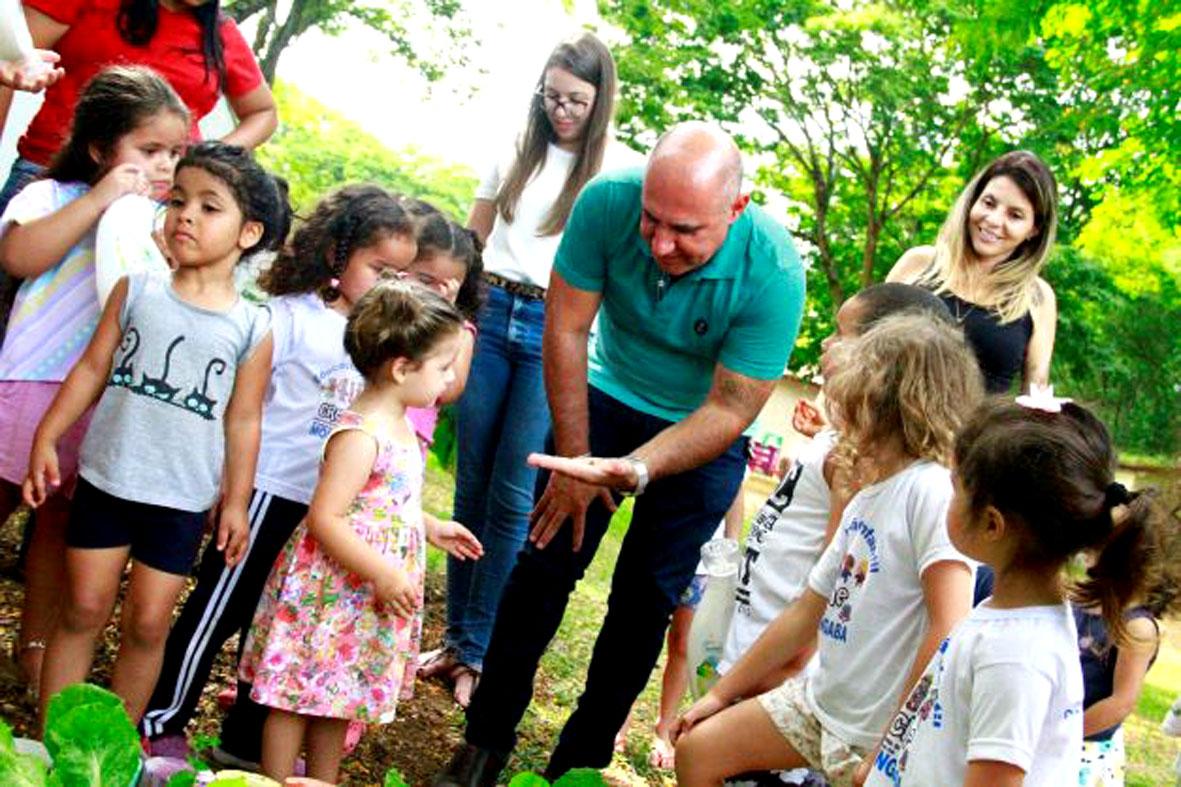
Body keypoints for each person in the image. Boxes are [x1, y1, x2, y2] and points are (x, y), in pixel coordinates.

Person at [434, 121, 806, 785]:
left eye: (686, 231)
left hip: (703, 431)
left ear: (736, 210)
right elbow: (567, 326)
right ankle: (483, 742)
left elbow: (729, 407)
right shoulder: (606, 201)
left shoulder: (773, 271)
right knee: (541, 569)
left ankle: (573, 769)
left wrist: (635, 469)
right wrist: (577, 460)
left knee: (643, 605)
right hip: (603, 398)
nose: (661, 244)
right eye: (652, 221)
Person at [139, 184, 421, 762]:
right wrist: (233, 493)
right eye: (380, 268)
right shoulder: (290, 319)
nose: (392, 285)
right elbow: (242, 406)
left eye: (402, 275)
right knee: (217, 610)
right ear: (339, 256)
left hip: (321, 508)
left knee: (278, 626)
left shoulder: (375, 342)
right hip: (266, 492)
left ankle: (246, 740)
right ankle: (161, 718)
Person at [24, 140, 288, 725]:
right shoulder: (137, 290)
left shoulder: (253, 326)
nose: (186, 215)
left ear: (249, 233)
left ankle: (116, 749)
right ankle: (50, 743)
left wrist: (237, 503)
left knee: (146, 623)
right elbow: (91, 368)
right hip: (107, 479)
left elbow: (243, 418)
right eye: (178, 200)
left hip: (180, 500)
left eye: (209, 206)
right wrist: (47, 436)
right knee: (83, 608)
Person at [423, 31, 643, 709]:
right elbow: (475, 237)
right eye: (551, 97)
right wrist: (455, 316)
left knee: (514, 493)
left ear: (599, 99)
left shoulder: (616, 168)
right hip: (491, 311)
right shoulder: (515, 148)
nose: (561, 111)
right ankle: (457, 639)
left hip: (555, 328)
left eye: (575, 100)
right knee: (472, 482)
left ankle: (483, 653)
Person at [673, 313, 984, 787]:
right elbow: (807, 610)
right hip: (820, 707)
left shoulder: (932, 492)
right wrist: (720, 696)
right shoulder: (869, 491)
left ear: (890, 400)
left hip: (880, 733)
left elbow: (949, 628)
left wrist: (890, 745)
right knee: (700, 750)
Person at [860, 396, 1178, 786]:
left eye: (956, 489)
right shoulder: (1007, 615)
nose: (947, 500)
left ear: (992, 524)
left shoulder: (1015, 654)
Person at [237, 281, 483, 784]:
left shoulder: (396, 424)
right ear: (401, 368)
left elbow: (383, 505)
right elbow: (326, 516)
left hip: (361, 596)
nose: (450, 378)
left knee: (338, 696)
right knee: (293, 694)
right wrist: (383, 573)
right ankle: (275, 779)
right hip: (331, 592)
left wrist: (428, 525)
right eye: (443, 367)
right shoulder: (361, 432)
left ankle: (322, 781)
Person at [0, 64, 188, 695]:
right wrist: (100, 199)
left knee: (57, 525)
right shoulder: (50, 198)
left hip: (104, 398)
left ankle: (34, 651)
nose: (164, 167)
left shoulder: (165, 226)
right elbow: (21, 257)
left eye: (175, 154)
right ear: (101, 148)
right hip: (32, 384)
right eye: (149, 150)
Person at [0, 0, 277, 340]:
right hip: (52, 175)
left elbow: (263, 112)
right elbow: (8, 60)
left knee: (100, 331)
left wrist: (199, 163)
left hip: (149, 204)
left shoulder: (220, 34)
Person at [721, 284, 954, 676]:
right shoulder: (843, 443)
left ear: (881, 357)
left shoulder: (856, 461)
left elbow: (835, 575)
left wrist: (787, 668)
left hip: (774, 657)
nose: (826, 344)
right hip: (752, 630)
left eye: (841, 334)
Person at [887, 150, 1059, 394]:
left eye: (1015, 215)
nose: (993, 220)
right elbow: (856, 349)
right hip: (887, 429)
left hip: (977, 433)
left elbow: (1035, 393)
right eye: (989, 203)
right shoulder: (918, 264)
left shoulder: (1038, 297)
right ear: (973, 201)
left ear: (1034, 230)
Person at [1075, 532, 1180, 786]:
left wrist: (1063, 733)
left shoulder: (1137, 627)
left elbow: (1121, 701)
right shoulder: (1077, 602)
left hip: (1085, 752)